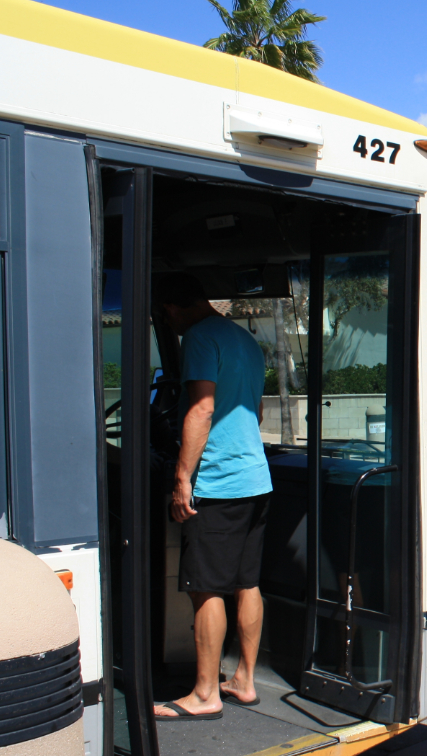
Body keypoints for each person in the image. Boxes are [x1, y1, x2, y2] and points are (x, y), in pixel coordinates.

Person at [153, 273, 272, 721]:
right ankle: (243, 679)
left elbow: (201, 408)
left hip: (218, 484)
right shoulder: (243, 339)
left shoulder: (200, 339)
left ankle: (205, 694)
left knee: (205, 588)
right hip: (256, 480)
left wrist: (183, 478)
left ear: (171, 310)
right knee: (246, 582)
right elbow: (255, 411)